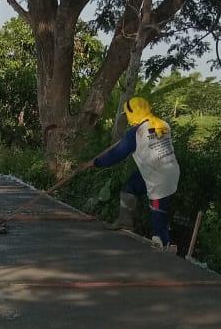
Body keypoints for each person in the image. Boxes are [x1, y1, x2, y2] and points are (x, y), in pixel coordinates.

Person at [77, 96, 180, 251]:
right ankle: (125, 221)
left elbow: (116, 155)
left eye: (128, 114)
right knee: (131, 187)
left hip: (158, 177)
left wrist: (94, 163)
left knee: (159, 212)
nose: (127, 117)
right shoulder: (163, 124)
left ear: (133, 113)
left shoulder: (135, 133)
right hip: (169, 169)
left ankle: (163, 247)